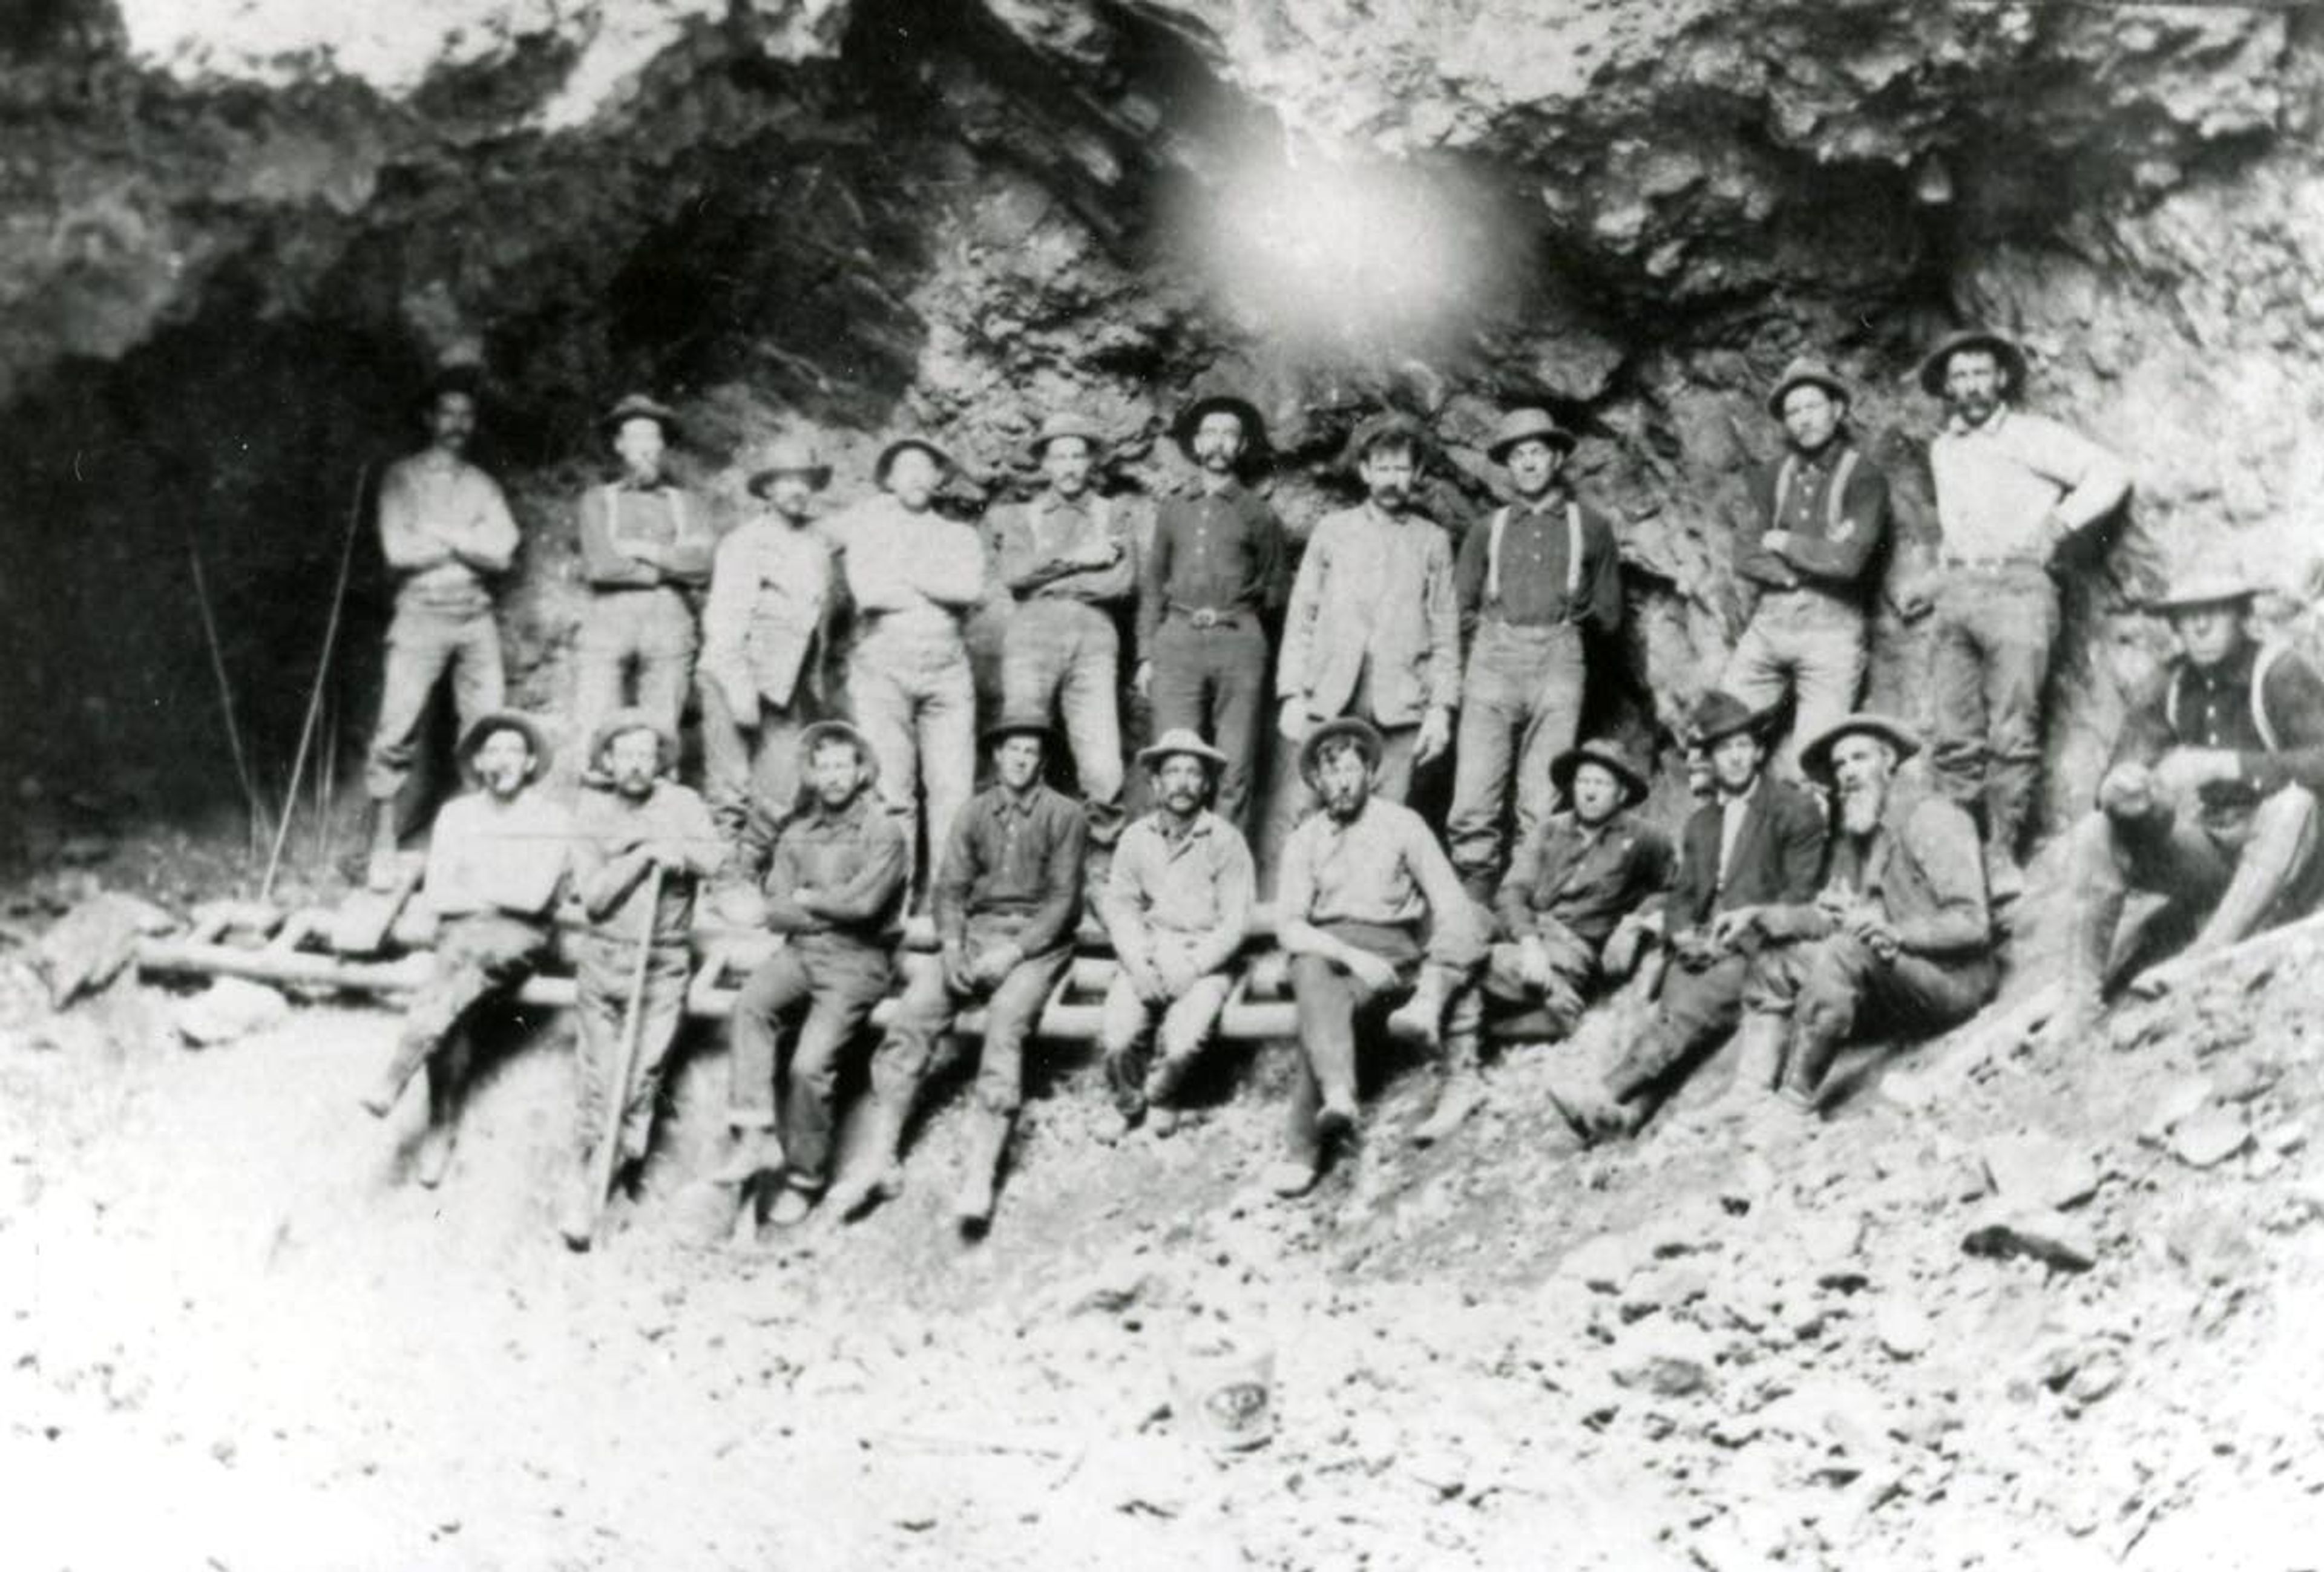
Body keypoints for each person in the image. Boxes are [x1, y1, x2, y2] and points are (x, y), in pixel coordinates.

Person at [835, 714, 1087, 1234]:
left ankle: (980, 1172)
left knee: (1006, 1024)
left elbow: (1063, 902)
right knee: (913, 1016)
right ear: (996, 757)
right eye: (1011, 750)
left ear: (1042, 760)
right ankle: (879, 1158)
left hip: (1035, 944)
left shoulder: (1065, 815)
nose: (1020, 760)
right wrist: (951, 945)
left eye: (1030, 752)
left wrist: (1014, 953)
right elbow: (949, 889)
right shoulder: (973, 813)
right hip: (974, 935)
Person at [2050, 571, 2324, 1041]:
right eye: (2186, 617)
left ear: (2242, 616)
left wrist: (2230, 766)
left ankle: (2203, 958)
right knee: (2098, 831)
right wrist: (2132, 792)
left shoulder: (2279, 672)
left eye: (2212, 613)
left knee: (2294, 804)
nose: (2198, 628)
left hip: (2298, 858)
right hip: (2222, 853)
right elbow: (2116, 777)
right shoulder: (2171, 683)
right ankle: (2080, 1002)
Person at [1908, 327, 2132, 892]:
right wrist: (1937, 579)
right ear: (1946, 388)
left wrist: (2058, 525)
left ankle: (2001, 855)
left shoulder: (2034, 436)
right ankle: (1957, 867)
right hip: (1959, 594)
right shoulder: (1944, 449)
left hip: (2019, 592)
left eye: (1981, 373)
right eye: (1959, 377)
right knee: (1954, 735)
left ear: (2001, 378)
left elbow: (2110, 473)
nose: (1971, 387)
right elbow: (1959, 526)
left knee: (2012, 728)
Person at [1548, 691, 1825, 1139]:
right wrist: (1681, 938)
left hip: (1762, 949)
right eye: (1723, 749)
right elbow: (1682, 896)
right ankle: (1628, 1118)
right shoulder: (1702, 823)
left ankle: (1605, 1090)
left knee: (1688, 1015)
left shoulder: (1793, 809)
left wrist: (1742, 933)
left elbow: (1799, 896)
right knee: (1677, 1015)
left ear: (1757, 750)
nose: (1735, 759)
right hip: (1702, 945)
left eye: (1742, 747)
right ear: (1710, 761)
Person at [702, 721, 908, 1232]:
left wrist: (810, 901)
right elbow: (775, 909)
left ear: (862, 771)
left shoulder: (883, 829)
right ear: (812, 777)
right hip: (800, 955)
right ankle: (753, 1134)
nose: (835, 776)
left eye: (844, 765)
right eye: (825, 767)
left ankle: (804, 1179)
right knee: (750, 1004)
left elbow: (866, 906)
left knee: (807, 1066)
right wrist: (809, 908)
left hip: (857, 963)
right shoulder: (796, 833)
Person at [1268, 718, 1481, 1197]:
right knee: (1310, 972)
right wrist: (1346, 953)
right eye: (1330, 773)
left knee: (1317, 1007)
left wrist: (1434, 969)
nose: (1341, 781)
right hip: (1331, 955)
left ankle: (1302, 1151)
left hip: (1394, 958)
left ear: (1369, 772)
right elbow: (1290, 926)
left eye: (1350, 768)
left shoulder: (1403, 825)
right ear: (1316, 783)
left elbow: (1450, 903)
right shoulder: (1305, 840)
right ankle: (1339, 1095)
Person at [1740, 713, 1997, 1111]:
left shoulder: (1932, 818)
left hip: (1953, 981)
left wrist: (1896, 933)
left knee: (1843, 952)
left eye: (1860, 758)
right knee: (1773, 963)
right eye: (1840, 765)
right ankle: (1749, 1091)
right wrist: (1765, 916)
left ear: (1889, 761)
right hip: (1894, 977)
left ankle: (1792, 1103)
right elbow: (1835, 916)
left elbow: (1972, 923)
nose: (1848, 774)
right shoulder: (1856, 836)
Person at [359, 712, 568, 1187]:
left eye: (514, 751)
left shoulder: (551, 818)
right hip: (463, 933)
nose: (503, 760)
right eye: (492, 751)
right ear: (478, 762)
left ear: (531, 761)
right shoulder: (458, 815)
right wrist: (497, 888)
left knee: (461, 972)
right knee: (457, 993)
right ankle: (440, 1129)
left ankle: (399, 1077)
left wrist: (479, 885)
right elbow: (441, 894)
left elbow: (533, 898)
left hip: (520, 937)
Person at [1434, 738, 1674, 1144]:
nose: (1590, 790)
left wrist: (1635, 923)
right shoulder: (1550, 830)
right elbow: (1512, 893)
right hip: (1529, 940)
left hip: (1572, 949)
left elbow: (1674, 889)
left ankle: (1461, 1071)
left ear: (1620, 793)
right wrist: (1528, 942)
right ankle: (1547, 1010)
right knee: (1467, 920)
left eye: (1601, 782)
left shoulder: (1645, 838)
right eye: (1583, 780)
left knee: (1469, 970)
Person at [560, 709, 722, 1249]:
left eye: (645, 754)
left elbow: (715, 859)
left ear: (659, 762)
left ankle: (619, 1174)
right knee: (600, 1081)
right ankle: (591, 1179)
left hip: (664, 962)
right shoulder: (592, 811)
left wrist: (681, 857)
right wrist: (644, 855)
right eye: (623, 754)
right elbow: (596, 897)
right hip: (605, 961)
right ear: (607, 761)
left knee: (642, 1077)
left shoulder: (683, 805)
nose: (635, 765)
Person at [1446, 407, 1624, 898]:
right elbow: (1459, 607)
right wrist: (1493, 646)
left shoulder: (1592, 527)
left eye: (1537, 453)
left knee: (1542, 796)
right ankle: (1475, 901)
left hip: (1559, 661)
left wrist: (1567, 628)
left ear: (1557, 458)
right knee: (1474, 794)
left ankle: (1523, 904)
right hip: (1493, 662)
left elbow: (1610, 615)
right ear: (1508, 465)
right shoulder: (1488, 528)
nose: (1527, 464)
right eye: (1518, 455)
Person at [363, 363, 522, 890]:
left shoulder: (482, 485)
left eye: (466, 414)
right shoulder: (401, 478)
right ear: (429, 419)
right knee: (397, 725)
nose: (457, 424)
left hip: (475, 615)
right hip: (421, 612)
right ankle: (383, 845)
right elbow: (399, 550)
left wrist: (448, 539)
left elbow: (502, 554)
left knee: (489, 727)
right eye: (447, 413)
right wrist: (469, 543)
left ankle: (484, 843)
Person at [1277, 413, 1461, 810]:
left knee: (1388, 816)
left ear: (1418, 473)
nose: (1392, 480)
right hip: (1329, 692)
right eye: (1382, 468)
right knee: (1307, 808)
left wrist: (1441, 711)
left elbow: (1446, 629)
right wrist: (1292, 694)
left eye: (1402, 468)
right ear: (1364, 472)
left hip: (1401, 699)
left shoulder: (1433, 540)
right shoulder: (1332, 530)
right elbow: (1302, 616)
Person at [1719, 358, 1893, 778]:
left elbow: (1848, 562)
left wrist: (1784, 542)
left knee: (1814, 763)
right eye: (1793, 412)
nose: (1803, 419)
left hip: (1831, 630)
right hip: (1771, 621)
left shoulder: (1864, 477)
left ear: (1836, 410)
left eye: (1812, 406)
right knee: (1721, 735)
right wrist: (1797, 572)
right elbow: (1744, 553)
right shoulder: (1771, 475)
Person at [822, 434, 986, 878]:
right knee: (891, 787)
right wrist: (934, 582)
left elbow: (969, 589)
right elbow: (872, 594)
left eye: (925, 467)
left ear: (938, 478)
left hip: (948, 667)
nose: (916, 476)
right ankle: (894, 897)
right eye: (904, 468)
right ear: (889, 481)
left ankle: (945, 900)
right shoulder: (869, 526)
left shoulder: (959, 534)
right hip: (883, 665)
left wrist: (908, 575)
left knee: (953, 790)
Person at [1136, 388, 1289, 831]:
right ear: (1197, 444)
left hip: (1239, 641)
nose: (1219, 442)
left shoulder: (1259, 514)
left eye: (1230, 434)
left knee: (1235, 762)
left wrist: (1242, 622)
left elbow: (1277, 591)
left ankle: (1225, 875)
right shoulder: (1173, 510)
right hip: (1178, 640)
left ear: (1241, 447)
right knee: (1172, 754)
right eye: (1211, 433)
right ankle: (1168, 869)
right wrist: (1146, 655)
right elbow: (1152, 586)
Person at [985, 411, 1139, 847]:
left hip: (1094, 641)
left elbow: (1122, 583)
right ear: (1045, 464)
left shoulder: (1115, 514)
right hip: (1031, 638)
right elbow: (1014, 576)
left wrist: (1052, 577)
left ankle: (1100, 870)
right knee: (1022, 744)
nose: (1070, 466)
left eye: (1078, 456)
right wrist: (1080, 558)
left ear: (1092, 463)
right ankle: (1017, 858)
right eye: (1060, 457)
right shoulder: (1021, 516)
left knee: (1102, 761)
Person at [1096, 729, 1256, 1136]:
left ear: (1206, 785)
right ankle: (1128, 1102)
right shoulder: (1135, 838)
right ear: (1155, 783)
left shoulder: (1226, 841)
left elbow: (1235, 922)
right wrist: (1137, 963)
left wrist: (1195, 966)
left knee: (1184, 1040)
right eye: (1173, 772)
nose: (1183, 783)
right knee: (1117, 1036)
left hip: (1204, 959)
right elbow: (1123, 908)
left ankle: (1161, 1095)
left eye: (1193, 773)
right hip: (1150, 953)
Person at [698, 434, 838, 850]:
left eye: (805, 481)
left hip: (786, 683)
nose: (797, 490)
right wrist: (739, 691)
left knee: (782, 785)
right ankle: (725, 879)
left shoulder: (816, 543)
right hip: (734, 675)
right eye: (785, 480)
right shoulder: (745, 543)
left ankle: (753, 870)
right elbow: (724, 623)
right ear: (768, 489)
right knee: (732, 785)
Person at [573, 394, 717, 750]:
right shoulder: (597, 500)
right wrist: (668, 567)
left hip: (669, 619)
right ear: (620, 446)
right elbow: (601, 567)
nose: (645, 448)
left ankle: (661, 799)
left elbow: (702, 566)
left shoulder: (688, 503)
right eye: (635, 438)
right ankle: (595, 799)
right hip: (609, 619)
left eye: (652, 438)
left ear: (663, 445)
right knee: (594, 727)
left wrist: (643, 551)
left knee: (662, 731)